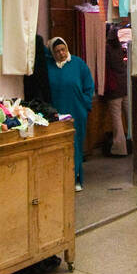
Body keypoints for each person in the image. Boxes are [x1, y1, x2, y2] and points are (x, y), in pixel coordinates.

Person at [46, 36, 94, 191]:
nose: (61, 53)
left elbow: (88, 86)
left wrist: (85, 104)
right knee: (59, 146)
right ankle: (59, 179)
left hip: (76, 112)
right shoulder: (49, 67)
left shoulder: (78, 64)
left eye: (63, 49)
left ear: (67, 48)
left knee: (75, 145)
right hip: (57, 114)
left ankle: (76, 179)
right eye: (57, 51)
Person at [104, 26, 129, 156]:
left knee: (117, 120)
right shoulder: (118, 48)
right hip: (124, 86)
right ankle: (134, 144)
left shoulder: (106, 49)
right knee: (129, 117)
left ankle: (119, 148)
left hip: (114, 89)